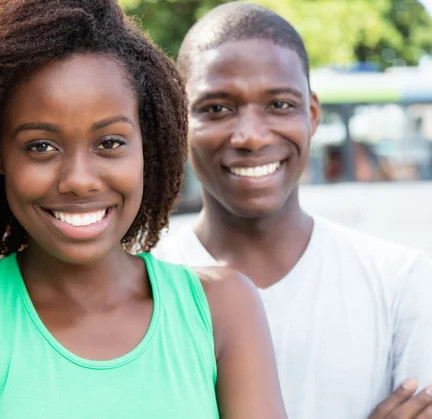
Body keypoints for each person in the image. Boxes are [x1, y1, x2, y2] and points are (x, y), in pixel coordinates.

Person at [0, 1, 288, 418]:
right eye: (41, 146)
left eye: (110, 143)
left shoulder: (223, 309)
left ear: (146, 145)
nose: (79, 180)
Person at [153, 3, 432, 419]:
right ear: (181, 123)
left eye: (280, 105)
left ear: (312, 115)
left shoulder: (400, 282)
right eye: (216, 108)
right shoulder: (142, 283)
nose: (250, 136)